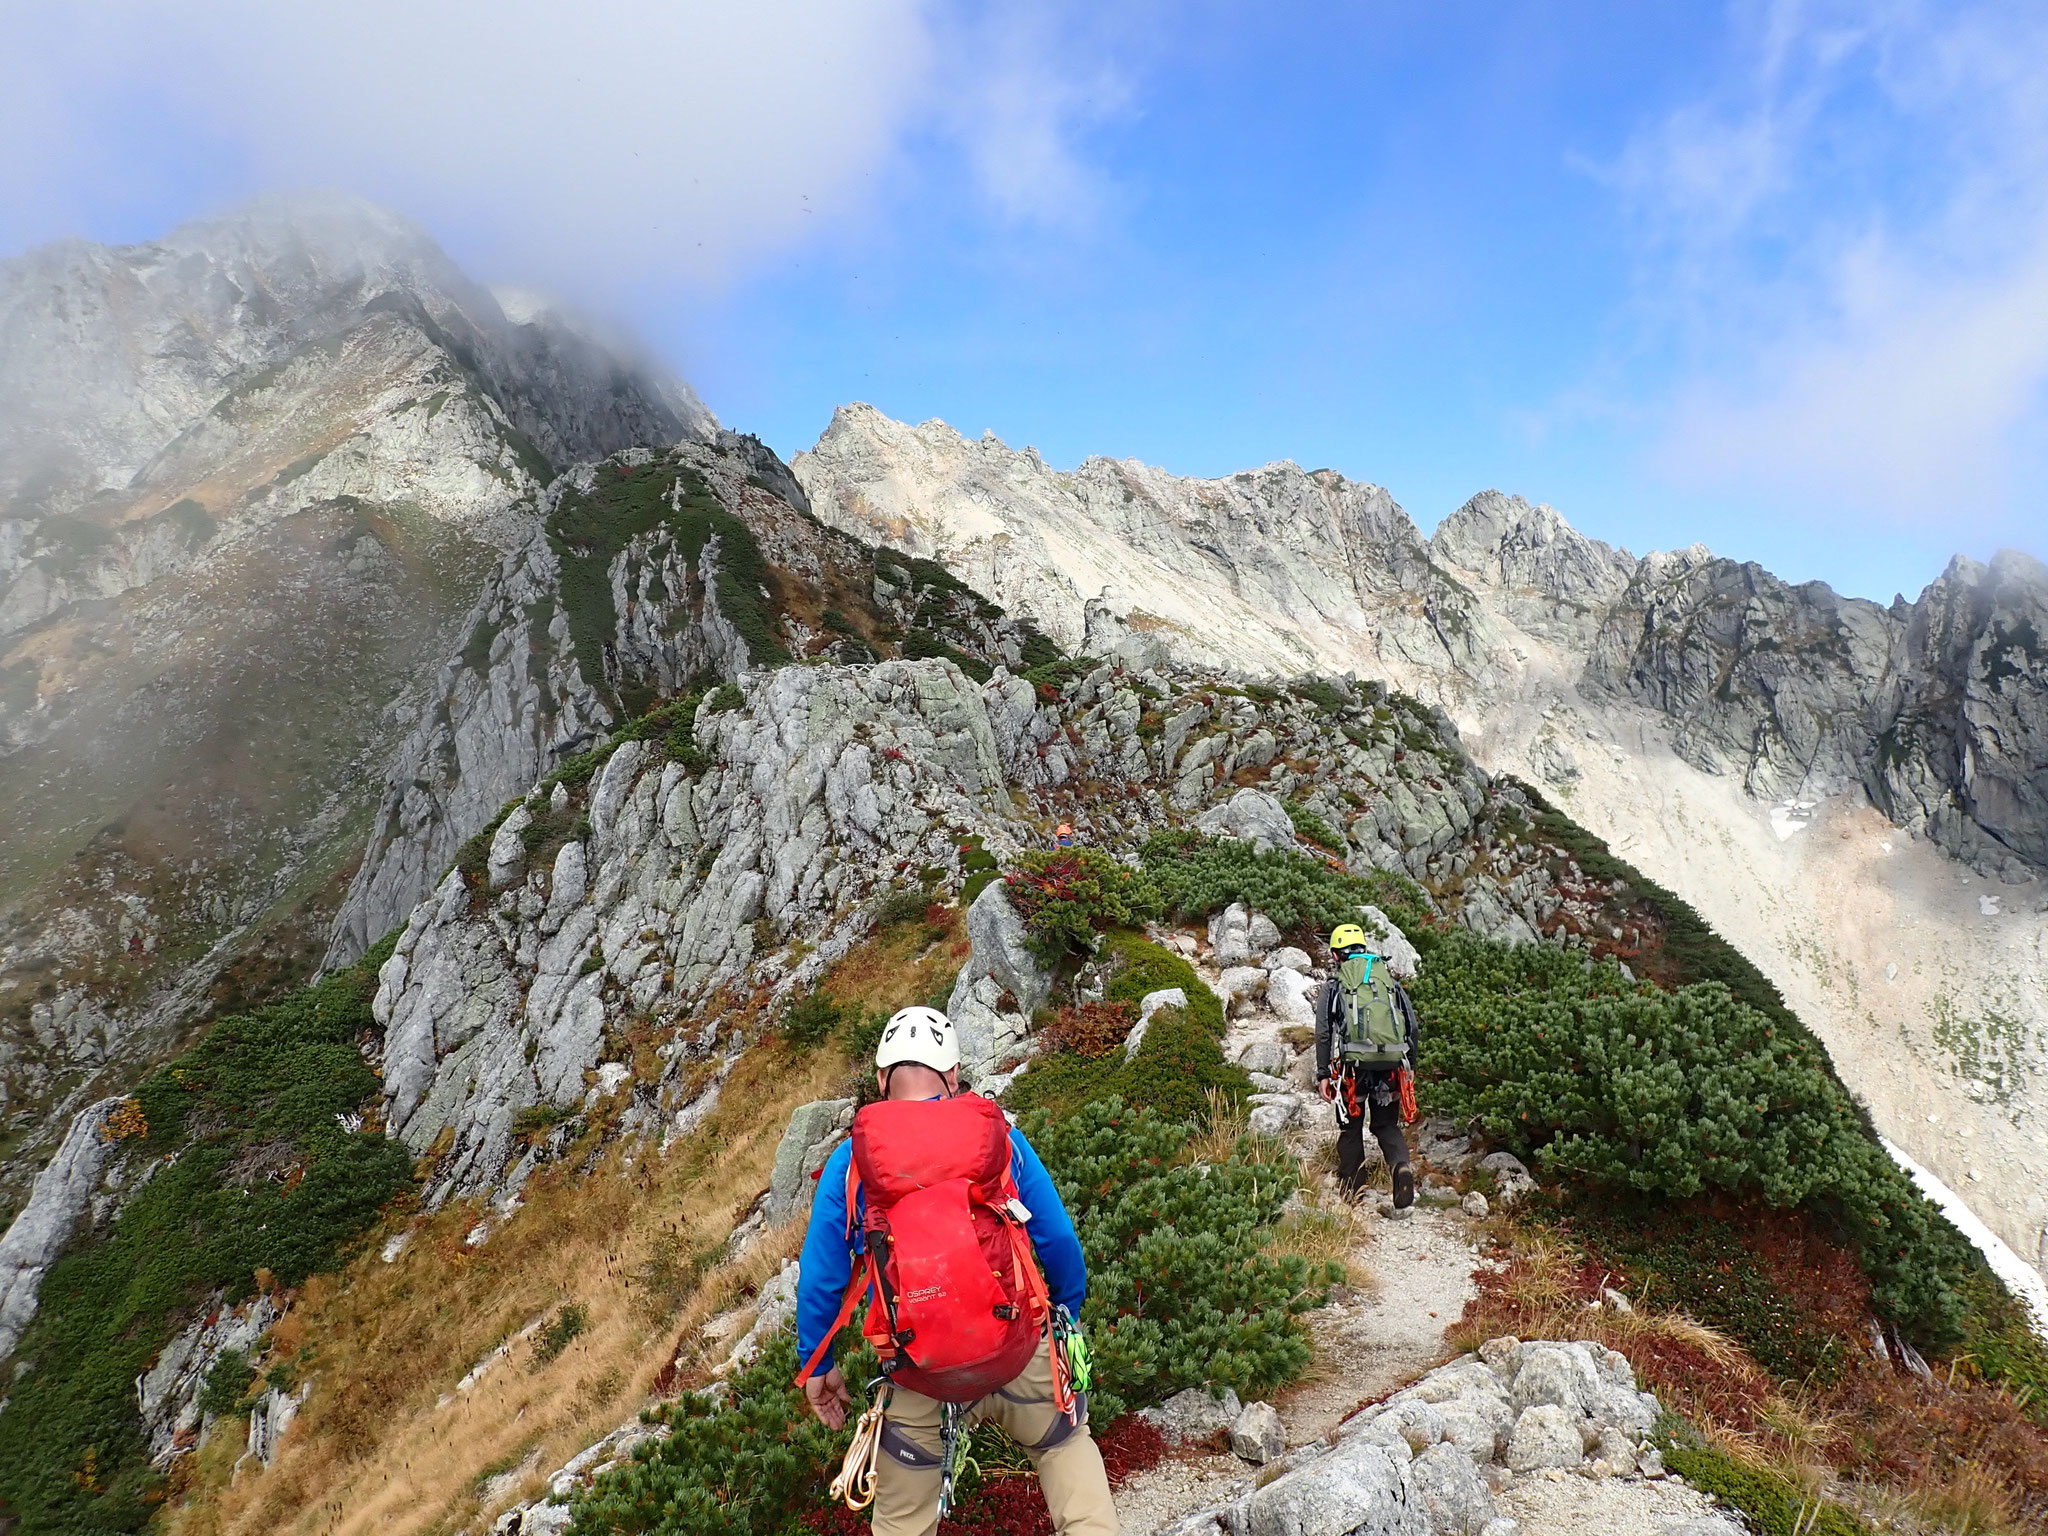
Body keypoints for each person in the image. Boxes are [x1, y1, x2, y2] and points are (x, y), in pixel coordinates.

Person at [796, 1007, 1116, 1536]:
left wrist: (818, 1363)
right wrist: (1066, 1314)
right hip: (1018, 1346)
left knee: (902, 1522)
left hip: (921, 1368)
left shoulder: (850, 1162)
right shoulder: (998, 1137)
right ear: (953, 1074)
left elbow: (821, 1275)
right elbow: (1056, 1237)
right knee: (1064, 1446)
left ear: (881, 1079)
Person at [1314, 923, 1420, 1207]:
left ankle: (1353, 1191)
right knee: (1386, 1124)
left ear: (1337, 955)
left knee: (1351, 1126)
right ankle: (1400, 1167)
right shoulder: (1388, 982)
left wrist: (1323, 1073)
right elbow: (1412, 1027)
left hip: (1352, 1068)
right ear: (1363, 949)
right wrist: (1410, 1068)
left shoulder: (1334, 986)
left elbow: (1324, 1033)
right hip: (1390, 1063)